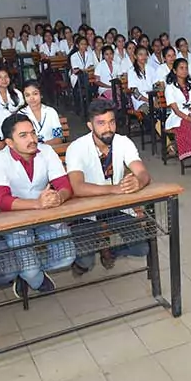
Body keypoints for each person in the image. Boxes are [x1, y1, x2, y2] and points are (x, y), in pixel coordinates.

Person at [0, 114, 76, 295]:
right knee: (31, 271)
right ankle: (31, 275)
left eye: (33, 133)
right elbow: (2, 200)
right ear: (9, 143)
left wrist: (59, 197)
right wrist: (37, 203)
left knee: (67, 257)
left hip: (47, 213)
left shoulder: (46, 151)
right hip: (16, 219)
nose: (32, 139)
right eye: (23, 135)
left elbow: (64, 185)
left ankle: (26, 272)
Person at [65, 99, 151, 274]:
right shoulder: (77, 147)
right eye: (101, 123)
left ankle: (110, 251)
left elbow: (143, 173)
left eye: (111, 122)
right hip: (86, 210)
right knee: (86, 262)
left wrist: (138, 181)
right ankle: (83, 261)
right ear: (90, 125)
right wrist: (114, 189)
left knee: (142, 248)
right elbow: (78, 187)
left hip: (116, 207)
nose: (108, 128)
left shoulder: (123, 142)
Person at [18, 81, 63, 146]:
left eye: (35, 94)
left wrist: (43, 146)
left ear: (41, 95)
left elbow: (59, 139)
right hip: (29, 152)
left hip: (50, 149)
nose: (32, 98)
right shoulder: (21, 114)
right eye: (27, 95)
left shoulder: (50, 112)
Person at [127, 46, 154, 112]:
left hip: (152, 97)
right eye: (140, 54)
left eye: (145, 54)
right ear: (135, 56)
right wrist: (148, 101)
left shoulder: (151, 69)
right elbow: (134, 91)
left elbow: (156, 85)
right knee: (149, 111)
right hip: (140, 101)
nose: (143, 57)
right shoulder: (131, 71)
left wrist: (155, 99)